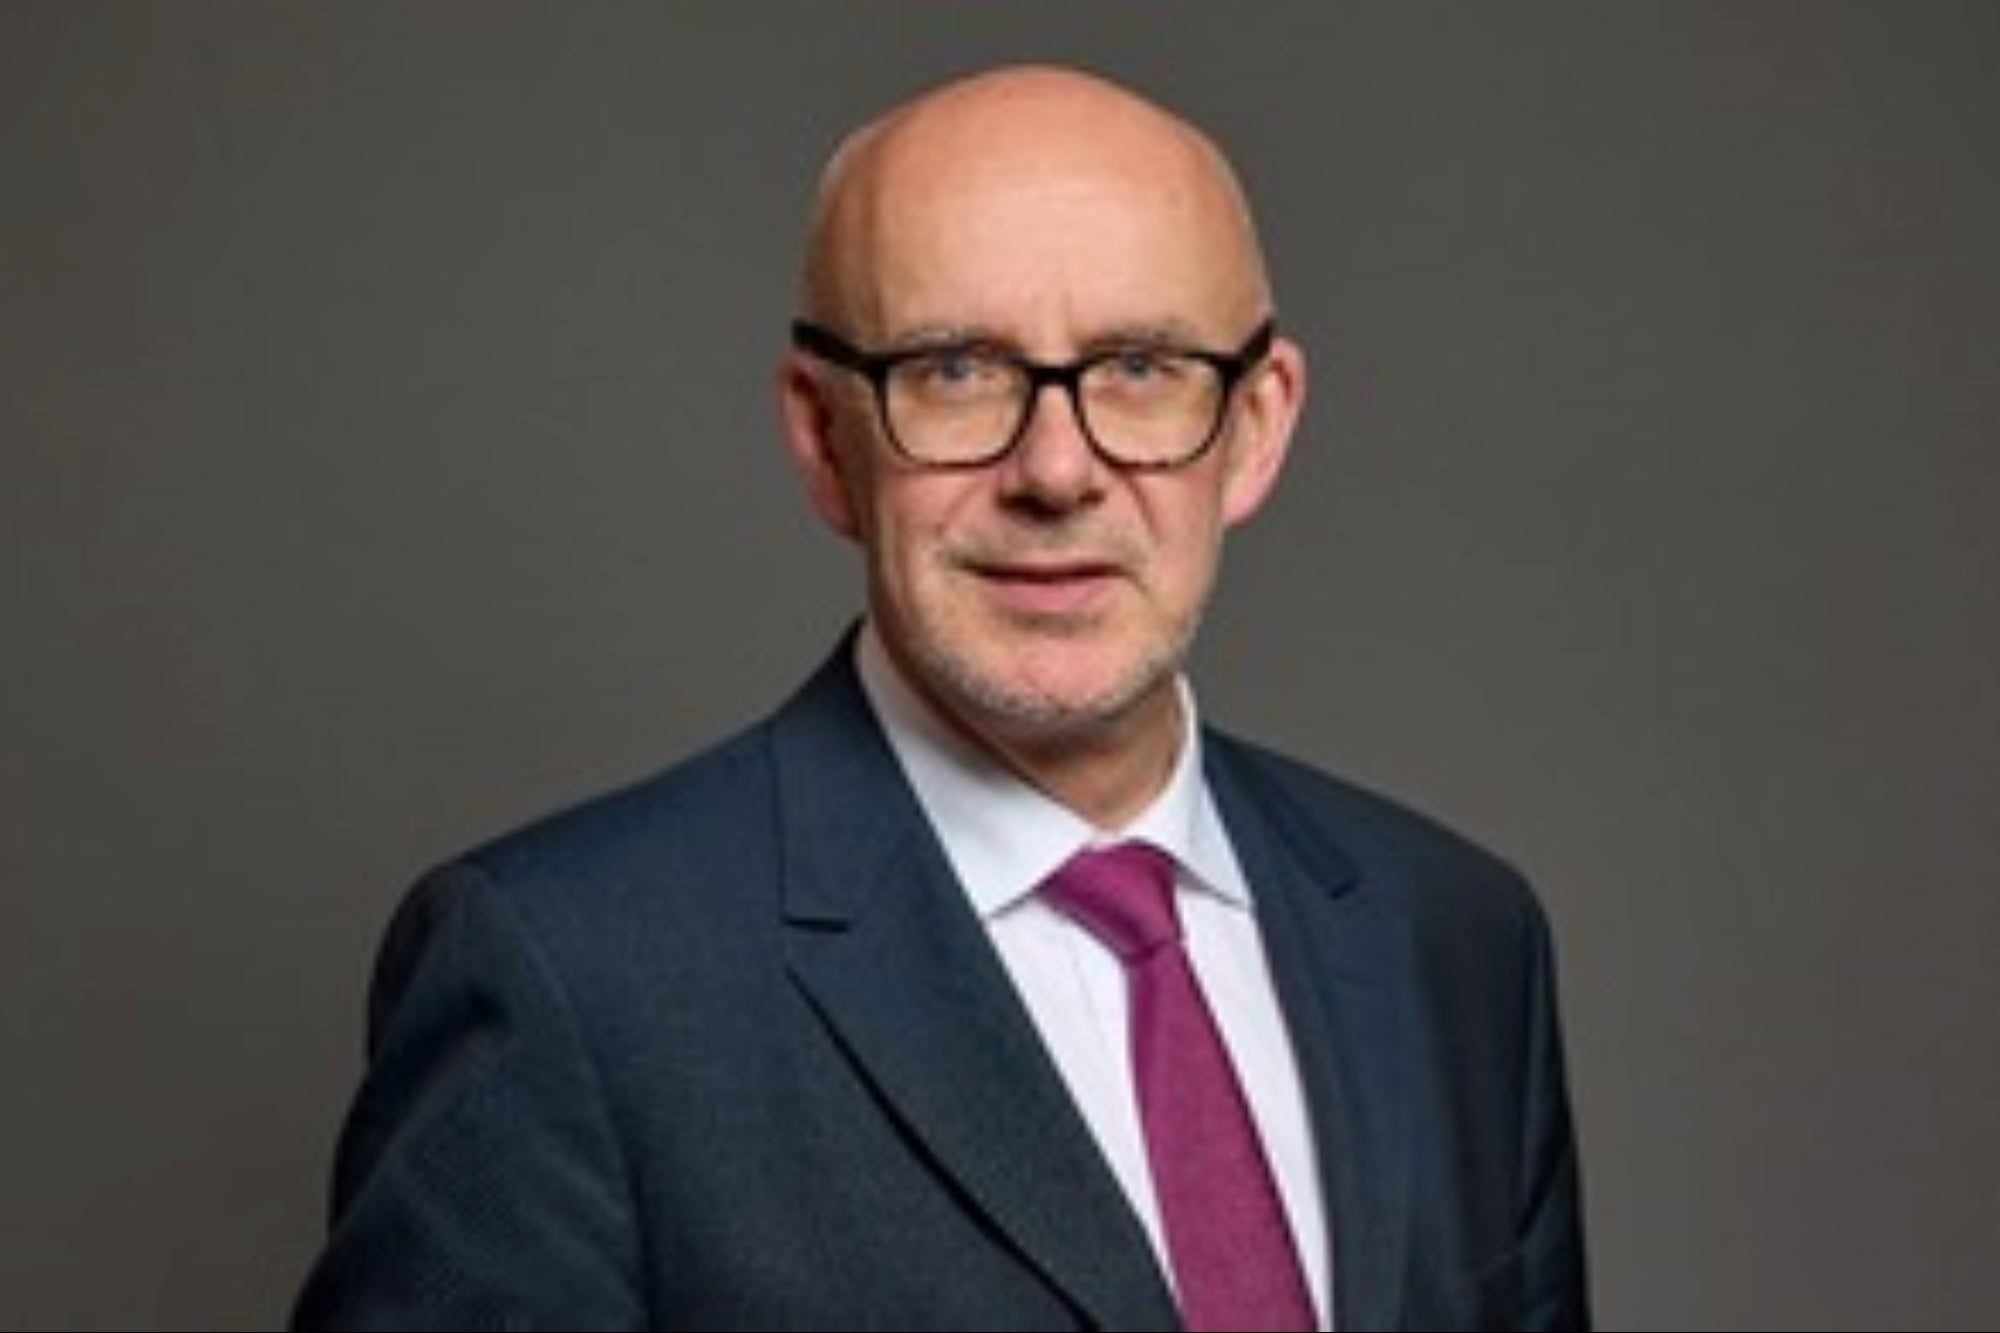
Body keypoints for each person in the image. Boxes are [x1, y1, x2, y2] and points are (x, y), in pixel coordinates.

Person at [289, 61, 1590, 1332]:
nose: (1057, 470)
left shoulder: (1455, 938)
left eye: (1141, 366)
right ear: (823, 434)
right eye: (956, 370)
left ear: (1255, 426)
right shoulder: (570, 977)